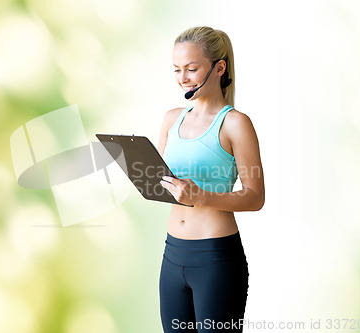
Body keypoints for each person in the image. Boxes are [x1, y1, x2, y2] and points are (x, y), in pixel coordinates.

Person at [157, 26, 265, 332]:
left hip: (215, 260)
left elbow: (255, 196)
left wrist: (201, 196)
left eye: (192, 69)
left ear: (219, 68)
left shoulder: (235, 124)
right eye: (177, 69)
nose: (182, 78)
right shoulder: (171, 118)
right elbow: (163, 181)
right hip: (172, 257)